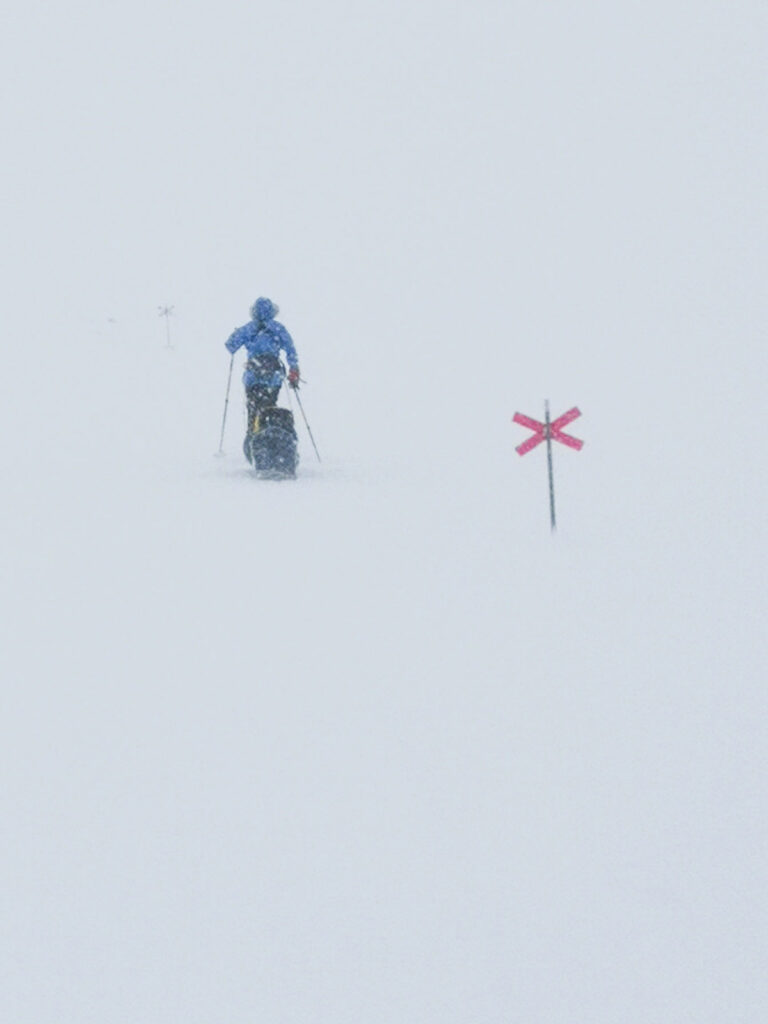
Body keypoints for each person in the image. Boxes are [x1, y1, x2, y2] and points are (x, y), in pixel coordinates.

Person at [224, 297, 300, 433]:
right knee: (269, 404)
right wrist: (293, 370)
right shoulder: (278, 328)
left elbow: (230, 346)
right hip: (273, 377)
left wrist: (237, 334)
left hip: (253, 377)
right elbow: (290, 349)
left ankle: (253, 435)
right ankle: (269, 433)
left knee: (253, 407)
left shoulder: (249, 328)